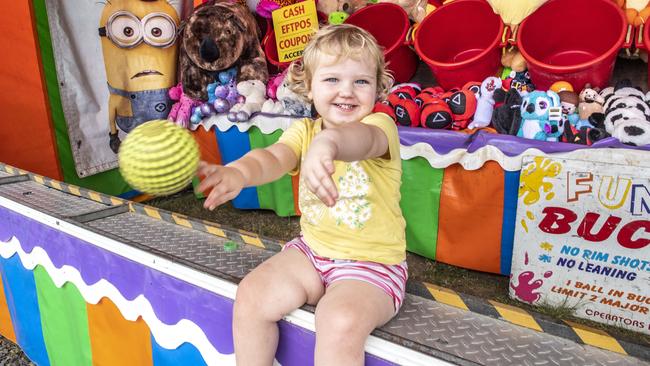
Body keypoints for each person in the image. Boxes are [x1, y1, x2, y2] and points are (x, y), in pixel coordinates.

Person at [197, 24, 407, 365]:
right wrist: (240, 172)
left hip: (372, 264)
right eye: (332, 80)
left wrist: (329, 143)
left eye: (361, 81)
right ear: (309, 86)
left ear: (377, 88)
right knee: (251, 295)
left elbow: (358, 142)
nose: (347, 91)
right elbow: (273, 158)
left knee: (338, 319)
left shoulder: (380, 128)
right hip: (312, 252)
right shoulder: (303, 131)